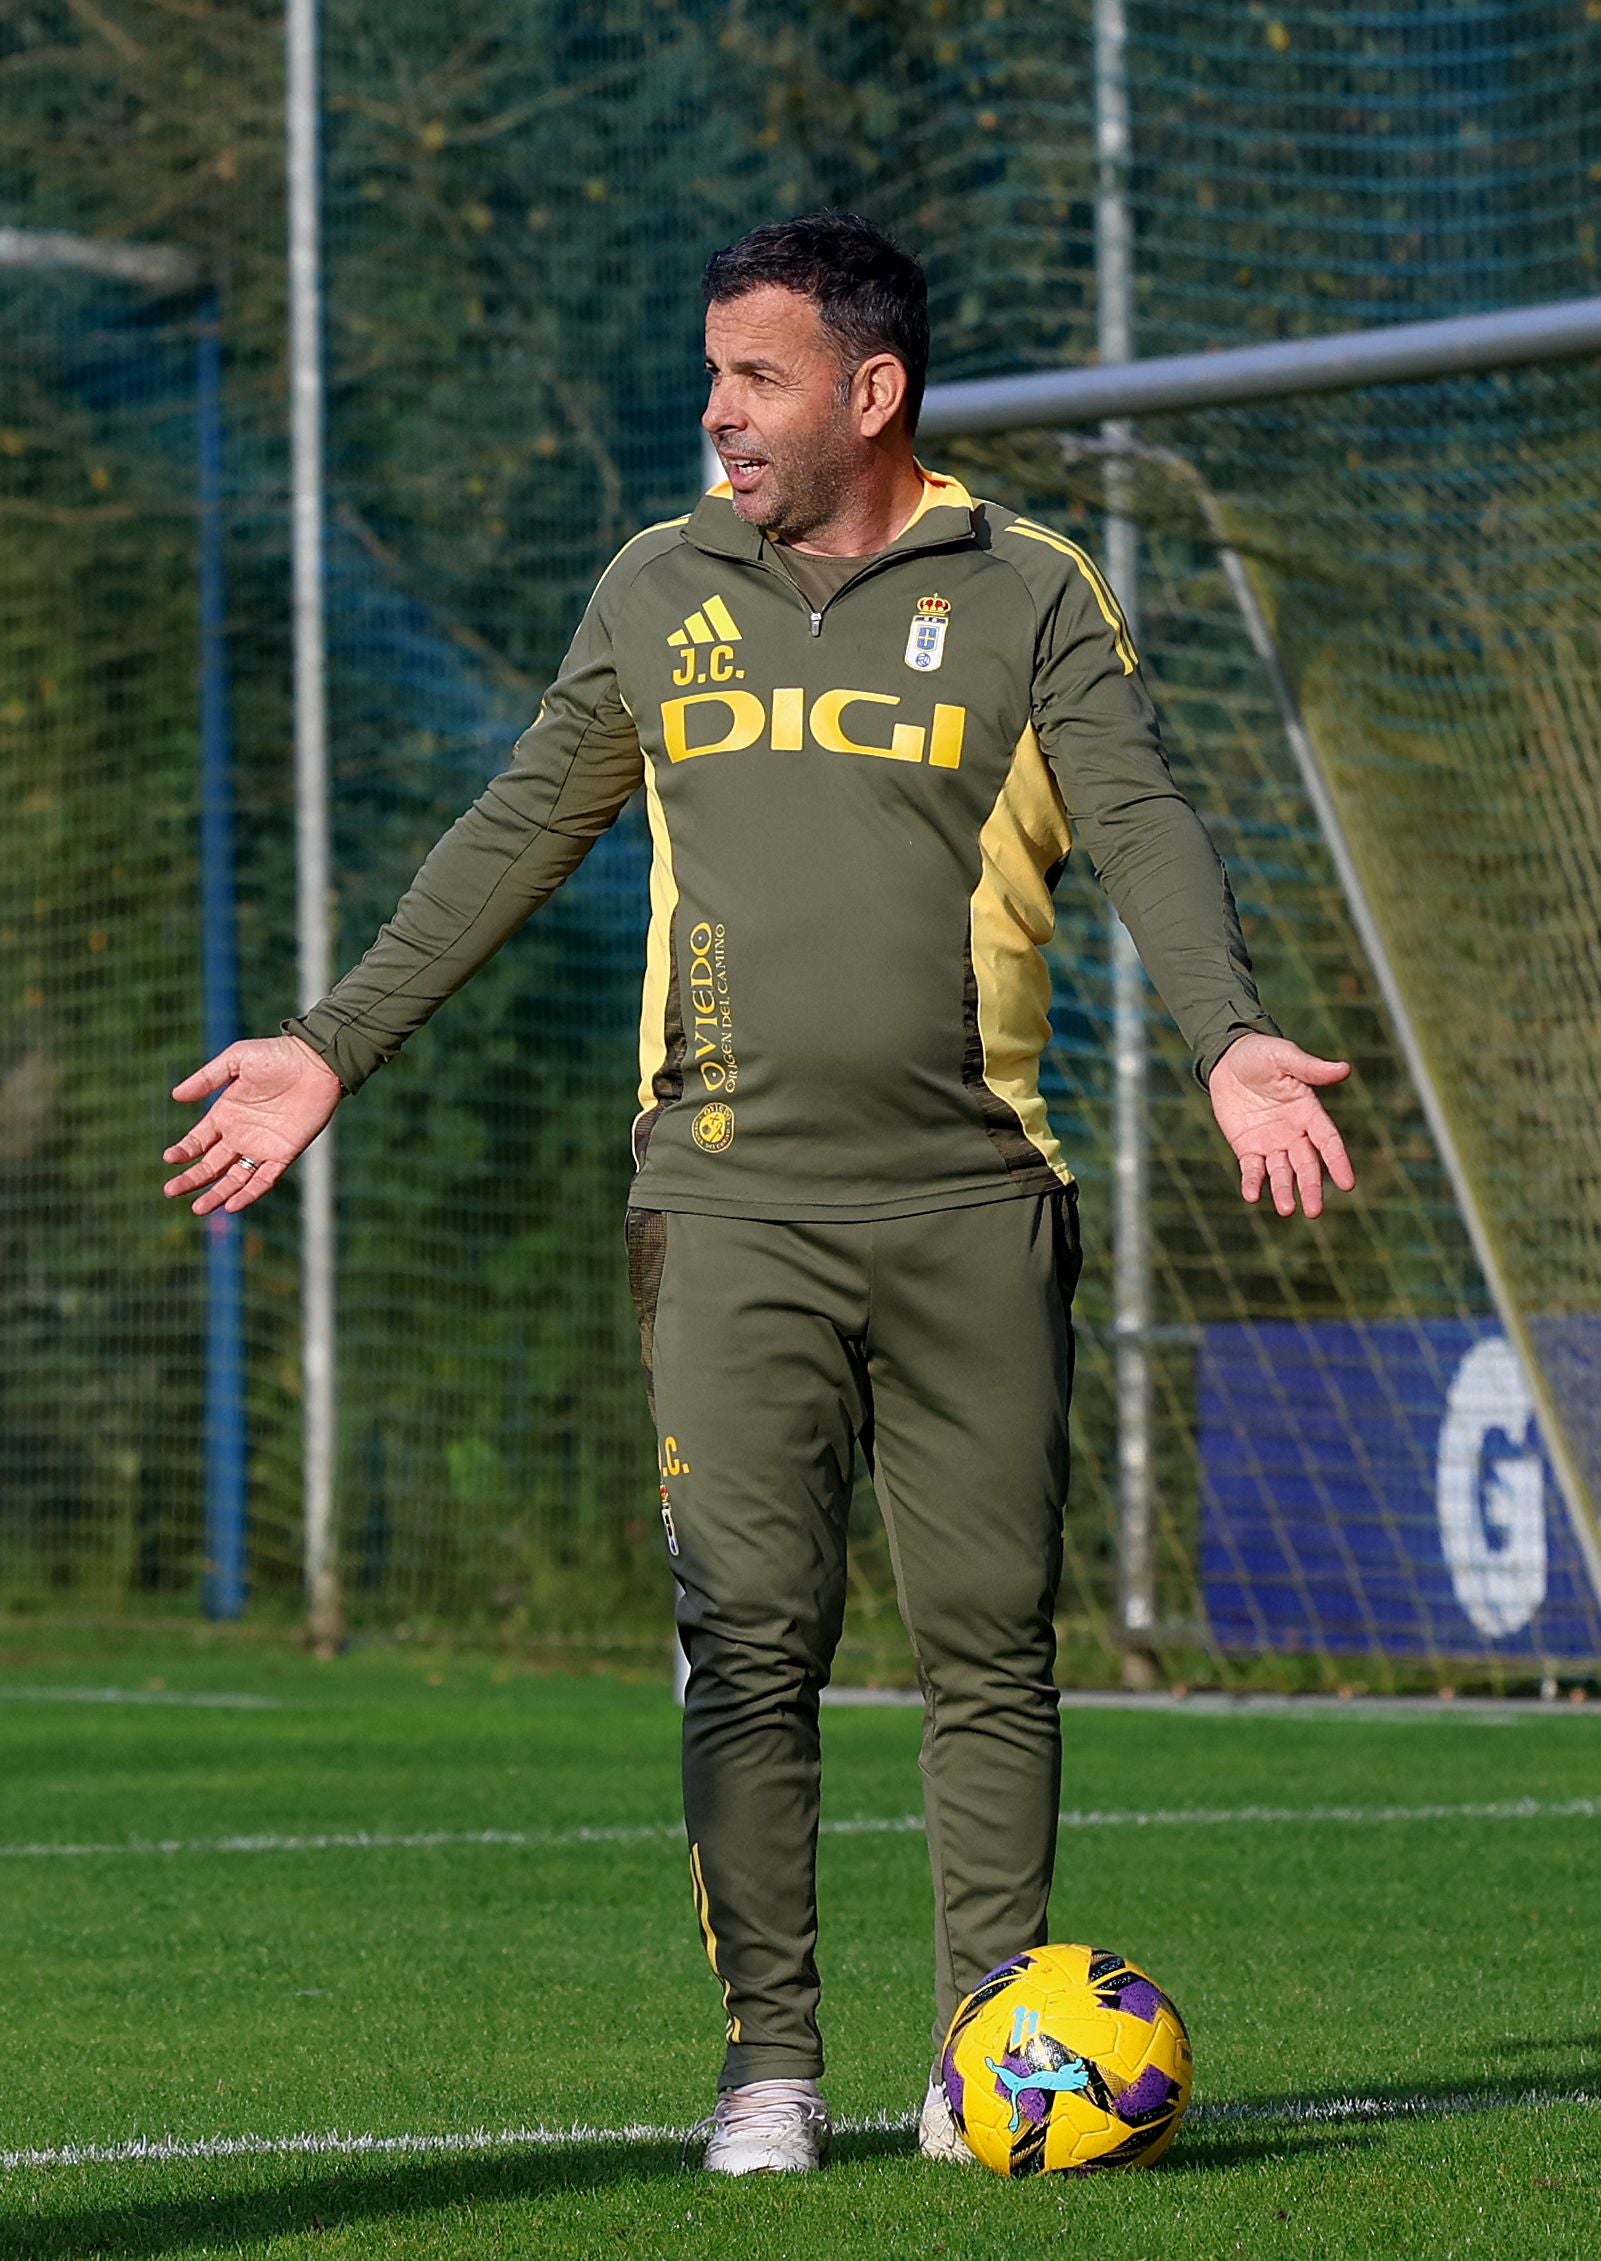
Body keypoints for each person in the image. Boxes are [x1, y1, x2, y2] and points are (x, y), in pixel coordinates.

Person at [162, 212, 1353, 2175]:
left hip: (978, 1201)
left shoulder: (1033, 593)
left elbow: (1142, 815)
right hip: (720, 1208)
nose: (718, 412)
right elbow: (518, 828)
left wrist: (1227, 1032)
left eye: (758, 376)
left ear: (873, 394)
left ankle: (991, 2065)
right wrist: (329, 1043)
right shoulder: (657, 591)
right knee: (752, 1637)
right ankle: (771, 2071)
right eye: (713, 373)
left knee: (989, 1642)